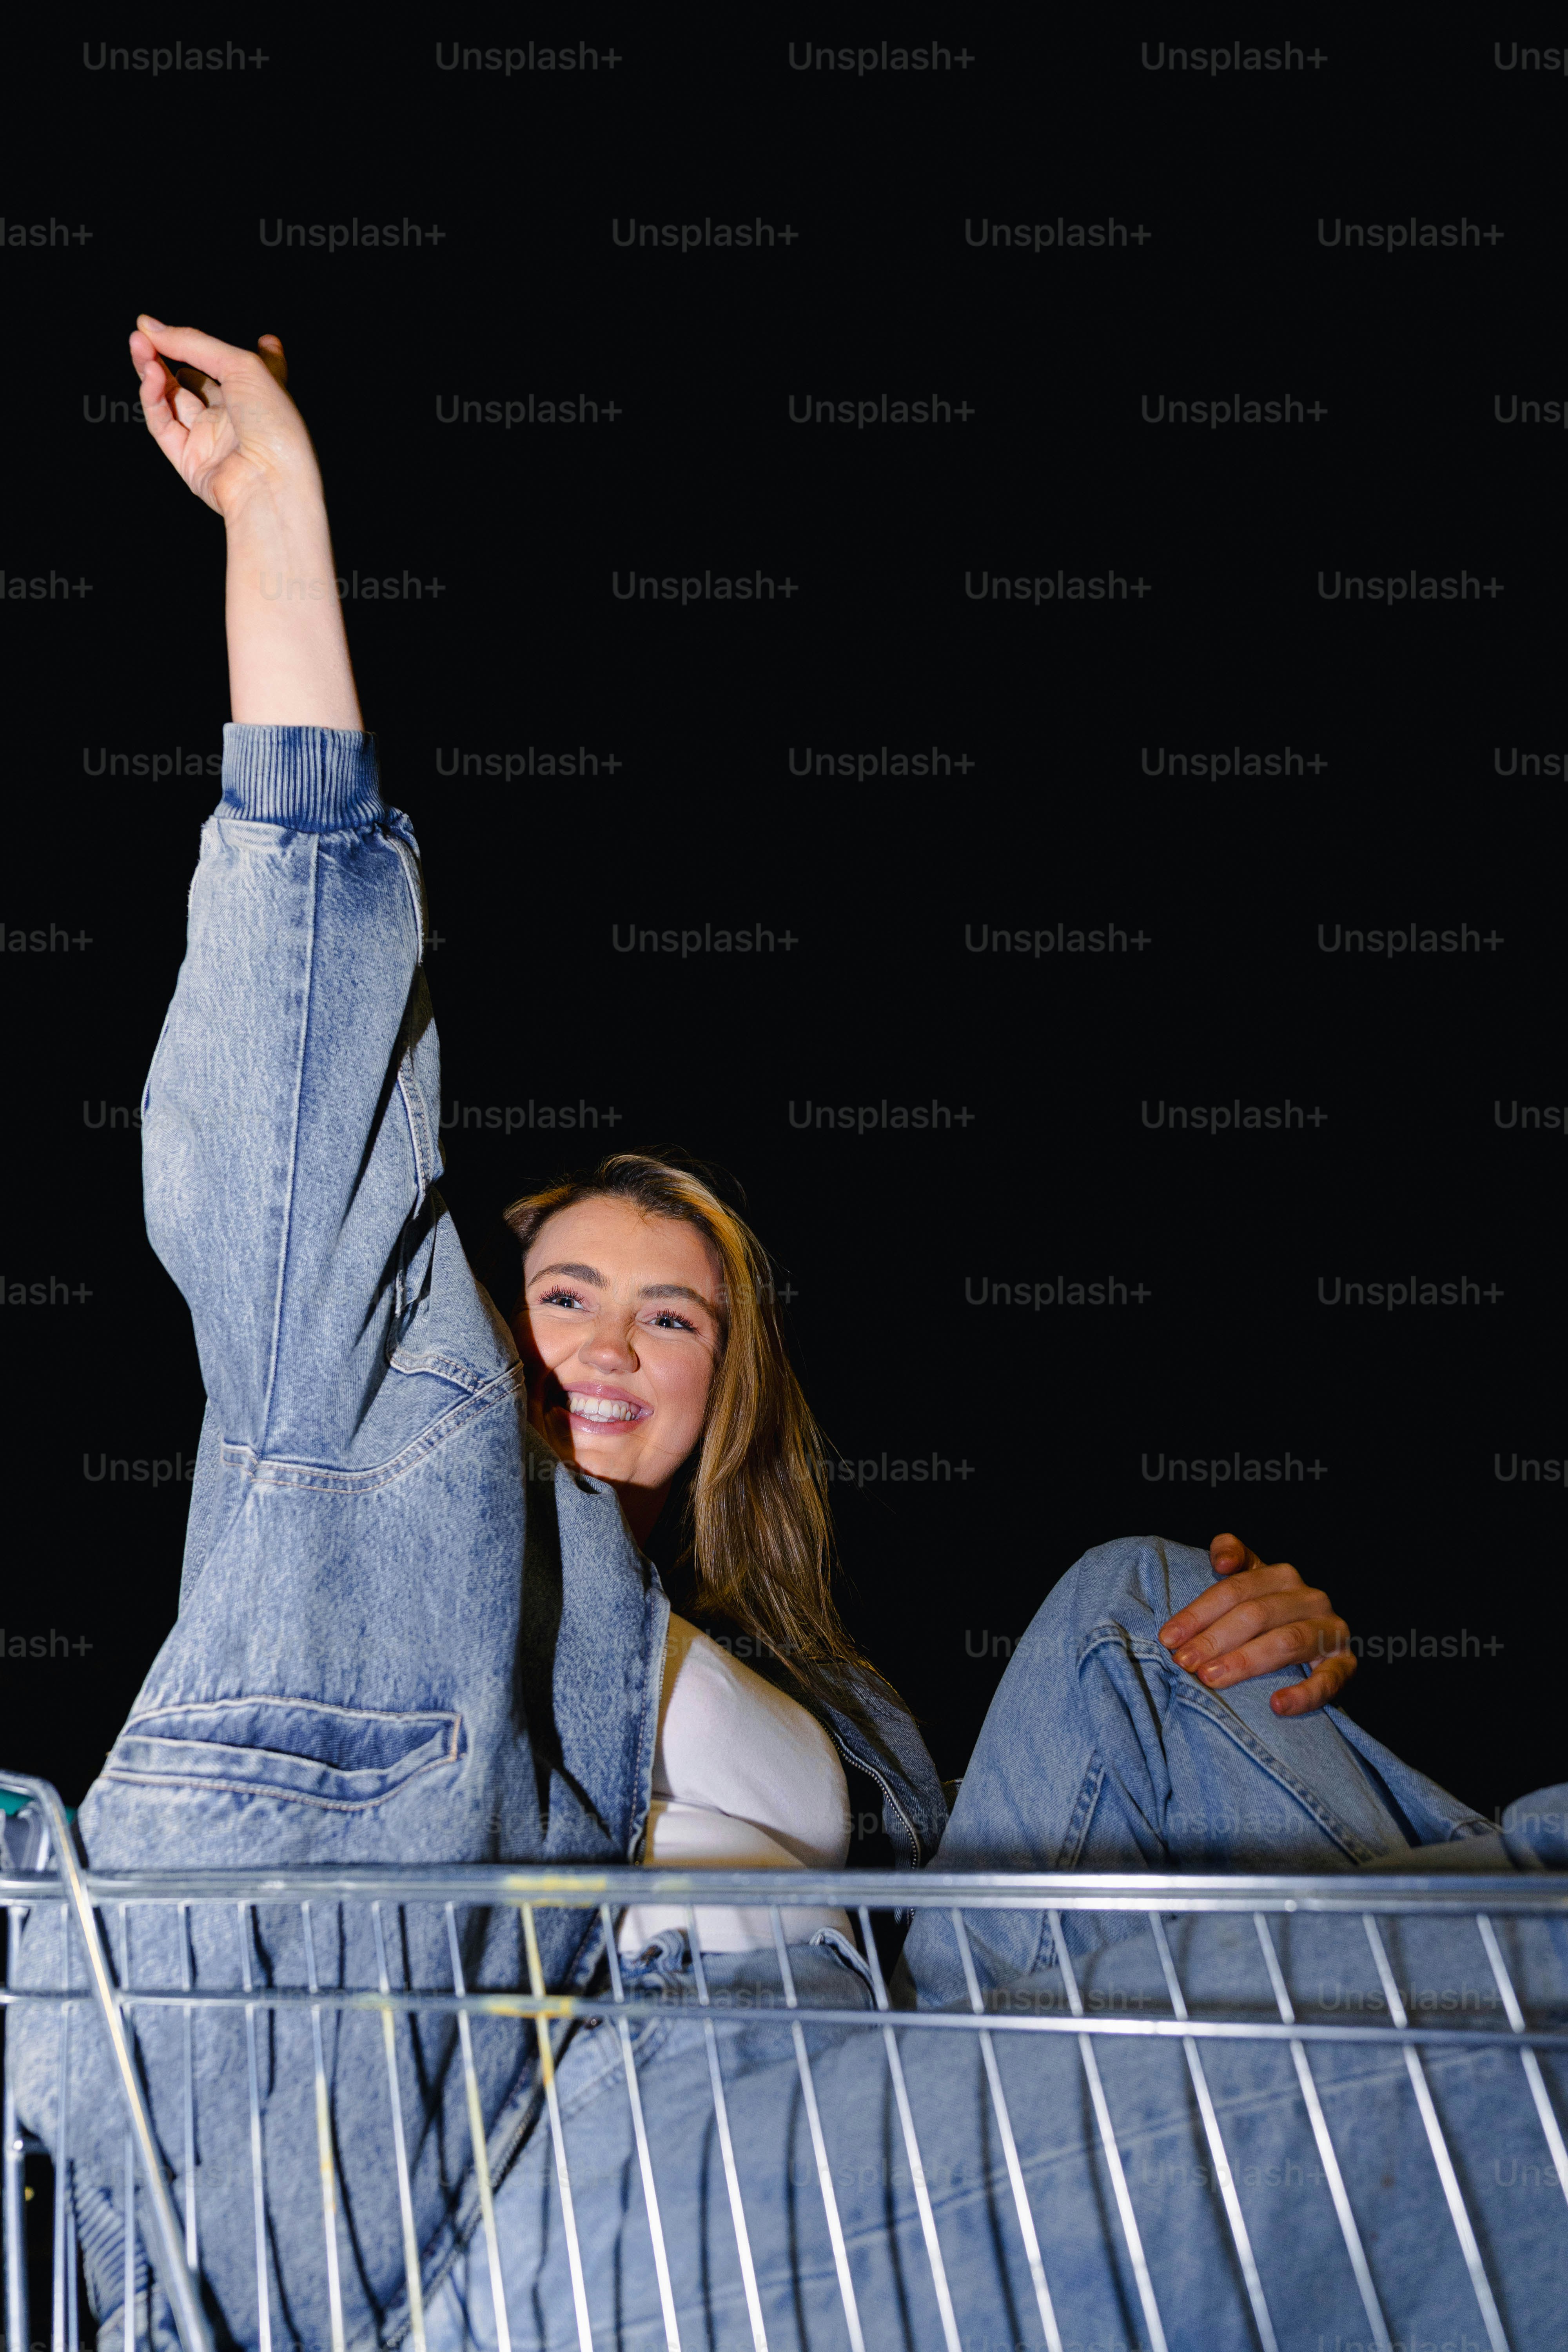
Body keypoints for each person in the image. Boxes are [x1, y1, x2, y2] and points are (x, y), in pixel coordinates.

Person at [10, 318, 1565, 2352]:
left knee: (1130, 1615)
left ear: (732, 1395)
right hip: (525, 2188)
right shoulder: (381, 1478)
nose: (615, 1334)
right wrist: (279, 520)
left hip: (867, 2154)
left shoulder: (853, 1737)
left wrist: (1275, 1695)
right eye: (559, 1288)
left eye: (679, 1312)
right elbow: (294, 1076)